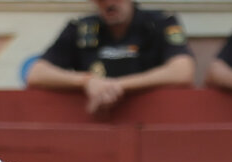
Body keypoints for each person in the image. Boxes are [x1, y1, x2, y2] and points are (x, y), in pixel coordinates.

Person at [25, 0, 194, 115]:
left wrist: (116, 86)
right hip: (93, 125)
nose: (109, 3)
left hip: (154, 119)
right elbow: (36, 73)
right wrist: (87, 81)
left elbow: (183, 71)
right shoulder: (80, 27)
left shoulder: (160, 22)